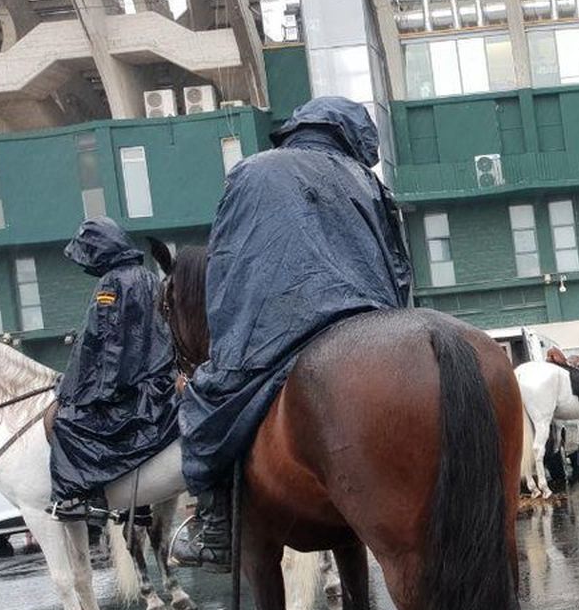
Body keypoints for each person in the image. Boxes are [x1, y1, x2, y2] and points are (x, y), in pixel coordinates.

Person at [173, 97, 412, 569]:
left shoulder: (253, 171)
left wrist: (230, 347)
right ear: (353, 140)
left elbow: (227, 269)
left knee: (203, 407)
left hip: (280, 328)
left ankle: (216, 529)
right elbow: (398, 269)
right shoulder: (367, 182)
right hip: (368, 322)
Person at [47, 217, 180, 522]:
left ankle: (79, 500)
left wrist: (97, 390)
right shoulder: (146, 276)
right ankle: (140, 505)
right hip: (158, 382)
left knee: (68, 423)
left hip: (131, 386)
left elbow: (108, 341)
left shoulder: (111, 283)